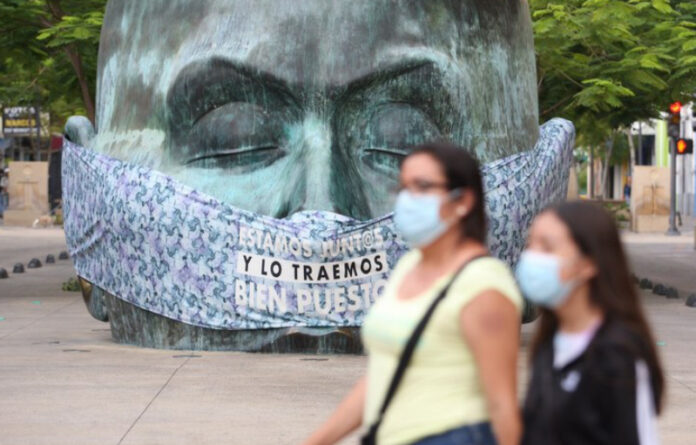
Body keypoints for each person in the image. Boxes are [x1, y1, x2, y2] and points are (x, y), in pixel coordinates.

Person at [303, 142, 523, 445]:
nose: (408, 199)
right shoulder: (409, 266)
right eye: (403, 188)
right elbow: (382, 376)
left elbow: (502, 405)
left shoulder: (483, 285)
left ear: (463, 200)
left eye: (422, 186)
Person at [516, 201, 664, 445]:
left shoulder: (618, 355)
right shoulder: (548, 344)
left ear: (588, 263)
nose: (532, 257)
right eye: (530, 244)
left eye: (547, 247)